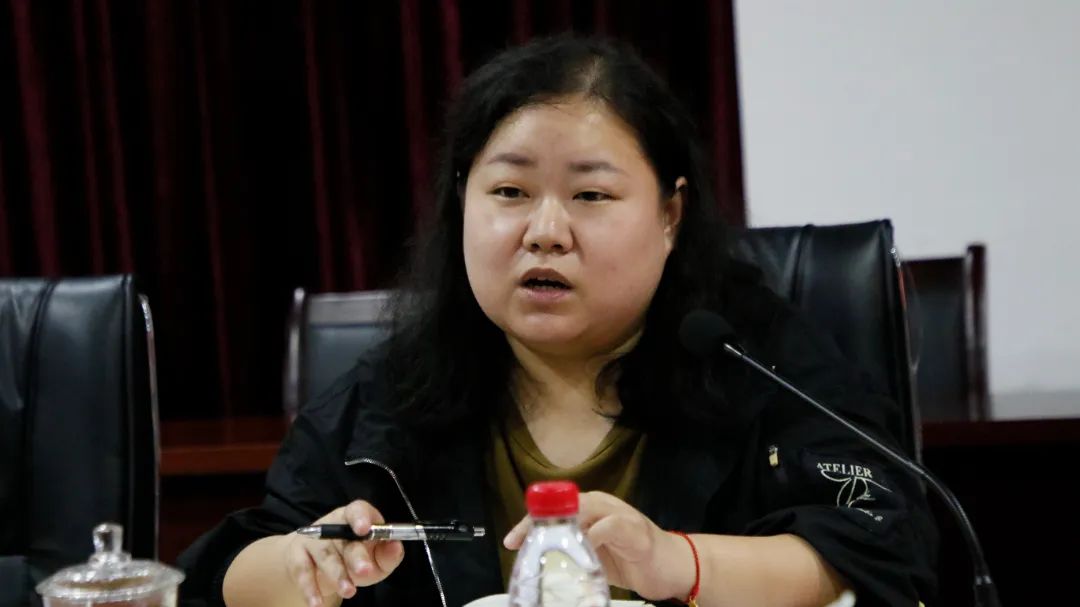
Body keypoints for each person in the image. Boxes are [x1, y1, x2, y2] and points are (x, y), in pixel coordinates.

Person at [177, 35, 937, 607]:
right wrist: (303, 567)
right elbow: (222, 570)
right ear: (463, 201)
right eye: (509, 192)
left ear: (670, 214)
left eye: (591, 195)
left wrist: (675, 562)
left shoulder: (756, 357)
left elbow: (884, 543)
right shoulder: (394, 388)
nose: (545, 232)